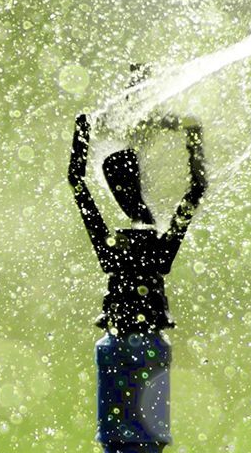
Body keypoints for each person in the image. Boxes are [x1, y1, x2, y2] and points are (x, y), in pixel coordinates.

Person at [69, 112, 206, 334]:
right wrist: (193, 136)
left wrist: (83, 130)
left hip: (130, 330)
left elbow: (76, 182)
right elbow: (197, 190)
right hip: (141, 329)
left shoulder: (129, 257)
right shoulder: (152, 256)